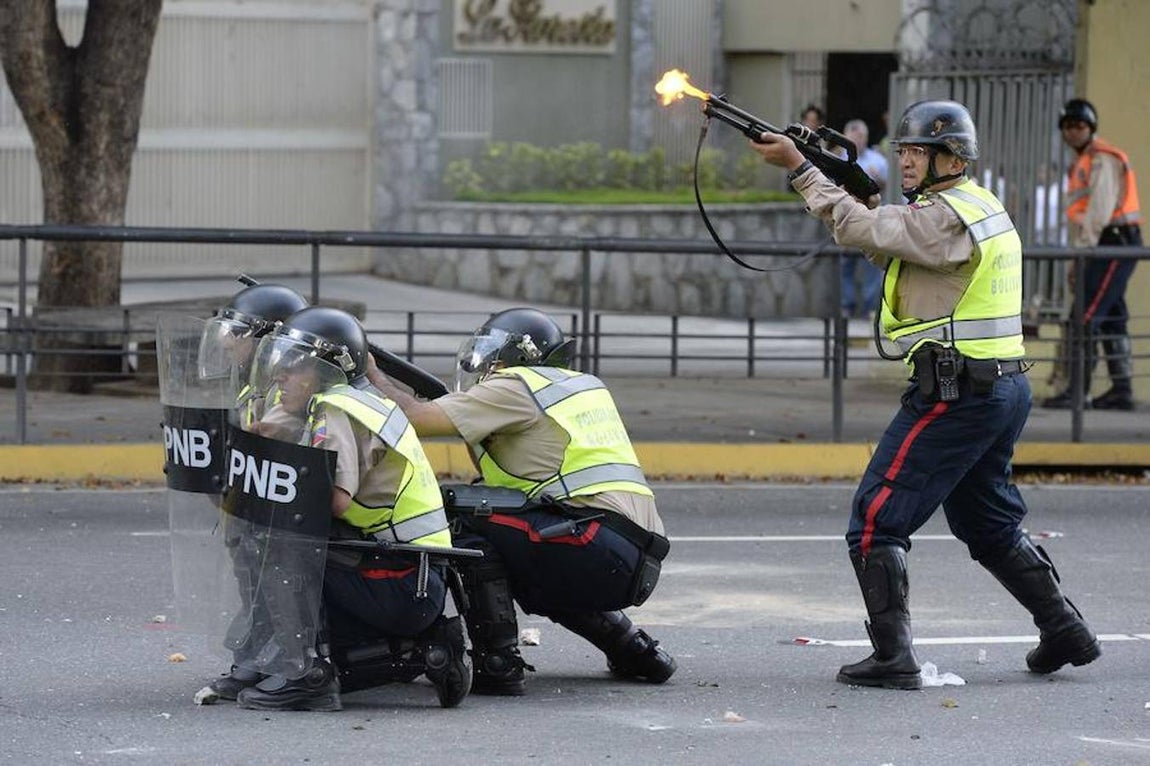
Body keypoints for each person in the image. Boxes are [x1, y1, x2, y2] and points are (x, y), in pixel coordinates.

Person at [751, 100, 1101, 689]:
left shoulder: (945, 216)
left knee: (875, 521)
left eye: (918, 152)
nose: (907, 161)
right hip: (998, 389)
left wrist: (802, 171)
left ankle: (894, 659)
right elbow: (888, 241)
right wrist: (846, 194)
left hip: (955, 392)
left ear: (950, 157)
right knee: (989, 525)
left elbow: (869, 230)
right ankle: (1064, 628)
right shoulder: (974, 205)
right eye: (905, 151)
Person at [368, 308, 676, 695]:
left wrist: (369, 370)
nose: (487, 367)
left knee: (459, 521)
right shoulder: (579, 386)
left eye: (493, 356)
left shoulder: (516, 385)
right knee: (528, 550)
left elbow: (413, 418)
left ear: (514, 356)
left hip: (592, 543)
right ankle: (635, 648)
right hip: (633, 555)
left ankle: (498, 662)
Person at [209, 306, 469, 711]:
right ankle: (273, 658)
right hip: (407, 569)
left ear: (327, 371)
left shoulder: (339, 410)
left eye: (294, 366)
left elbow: (333, 500)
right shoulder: (337, 401)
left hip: (403, 580)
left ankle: (307, 675)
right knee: (269, 531)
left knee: (279, 539)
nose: (280, 375)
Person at [1042, 98, 1142, 411]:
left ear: (1091, 127)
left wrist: (1080, 255)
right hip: (1106, 243)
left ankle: (1077, 392)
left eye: (1079, 125)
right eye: (1067, 126)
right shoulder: (1084, 160)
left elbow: (1098, 214)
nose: (1073, 131)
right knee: (1111, 315)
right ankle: (1121, 390)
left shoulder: (1102, 159)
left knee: (1084, 316)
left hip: (1112, 242)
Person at [839, 118, 889, 318]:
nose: (857, 141)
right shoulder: (837, 160)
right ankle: (847, 308)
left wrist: (878, 180)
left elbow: (887, 186)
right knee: (846, 267)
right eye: (853, 137)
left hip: (871, 220)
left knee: (872, 266)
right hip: (846, 220)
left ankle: (870, 309)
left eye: (860, 137)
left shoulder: (878, 161)